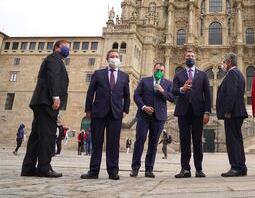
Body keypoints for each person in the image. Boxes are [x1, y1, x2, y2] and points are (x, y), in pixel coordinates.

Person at [21, 40, 70, 178]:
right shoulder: (55, 59)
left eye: (69, 48)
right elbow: (53, 77)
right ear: (56, 48)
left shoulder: (52, 59)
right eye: (65, 47)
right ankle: (44, 167)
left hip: (41, 101)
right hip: (47, 101)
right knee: (47, 136)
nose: (67, 50)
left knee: (36, 136)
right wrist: (56, 97)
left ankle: (28, 167)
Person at [81, 50, 130, 180]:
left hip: (116, 113)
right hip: (98, 112)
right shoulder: (98, 73)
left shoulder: (124, 76)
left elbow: (127, 96)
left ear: (120, 59)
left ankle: (113, 171)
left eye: (117, 57)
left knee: (113, 144)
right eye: (112, 56)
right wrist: (88, 110)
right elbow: (90, 92)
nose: (114, 58)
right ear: (107, 59)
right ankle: (93, 171)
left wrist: (125, 110)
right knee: (97, 142)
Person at [130, 63, 174, 178]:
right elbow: (136, 95)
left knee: (153, 143)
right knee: (140, 140)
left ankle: (149, 169)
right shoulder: (145, 81)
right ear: (153, 69)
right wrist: (143, 107)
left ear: (163, 72)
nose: (159, 72)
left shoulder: (168, 83)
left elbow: (172, 98)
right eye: (157, 69)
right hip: (144, 115)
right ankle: (135, 168)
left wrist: (162, 91)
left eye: (161, 70)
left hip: (159, 117)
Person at [173, 50, 211, 178]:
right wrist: (181, 89)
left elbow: (208, 95)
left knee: (197, 141)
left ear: (196, 58)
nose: (190, 58)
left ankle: (199, 169)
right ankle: (185, 169)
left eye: (192, 56)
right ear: (184, 58)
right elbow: (173, 91)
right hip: (183, 111)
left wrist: (207, 111)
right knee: (184, 141)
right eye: (188, 56)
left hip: (198, 111)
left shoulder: (203, 75)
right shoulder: (178, 75)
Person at [216, 53, 248, 177]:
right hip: (237, 112)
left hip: (233, 113)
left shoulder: (232, 74)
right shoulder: (238, 73)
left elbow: (231, 93)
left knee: (232, 140)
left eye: (224, 61)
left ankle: (235, 167)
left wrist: (227, 111)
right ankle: (241, 166)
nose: (223, 64)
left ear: (229, 62)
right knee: (237, 139)